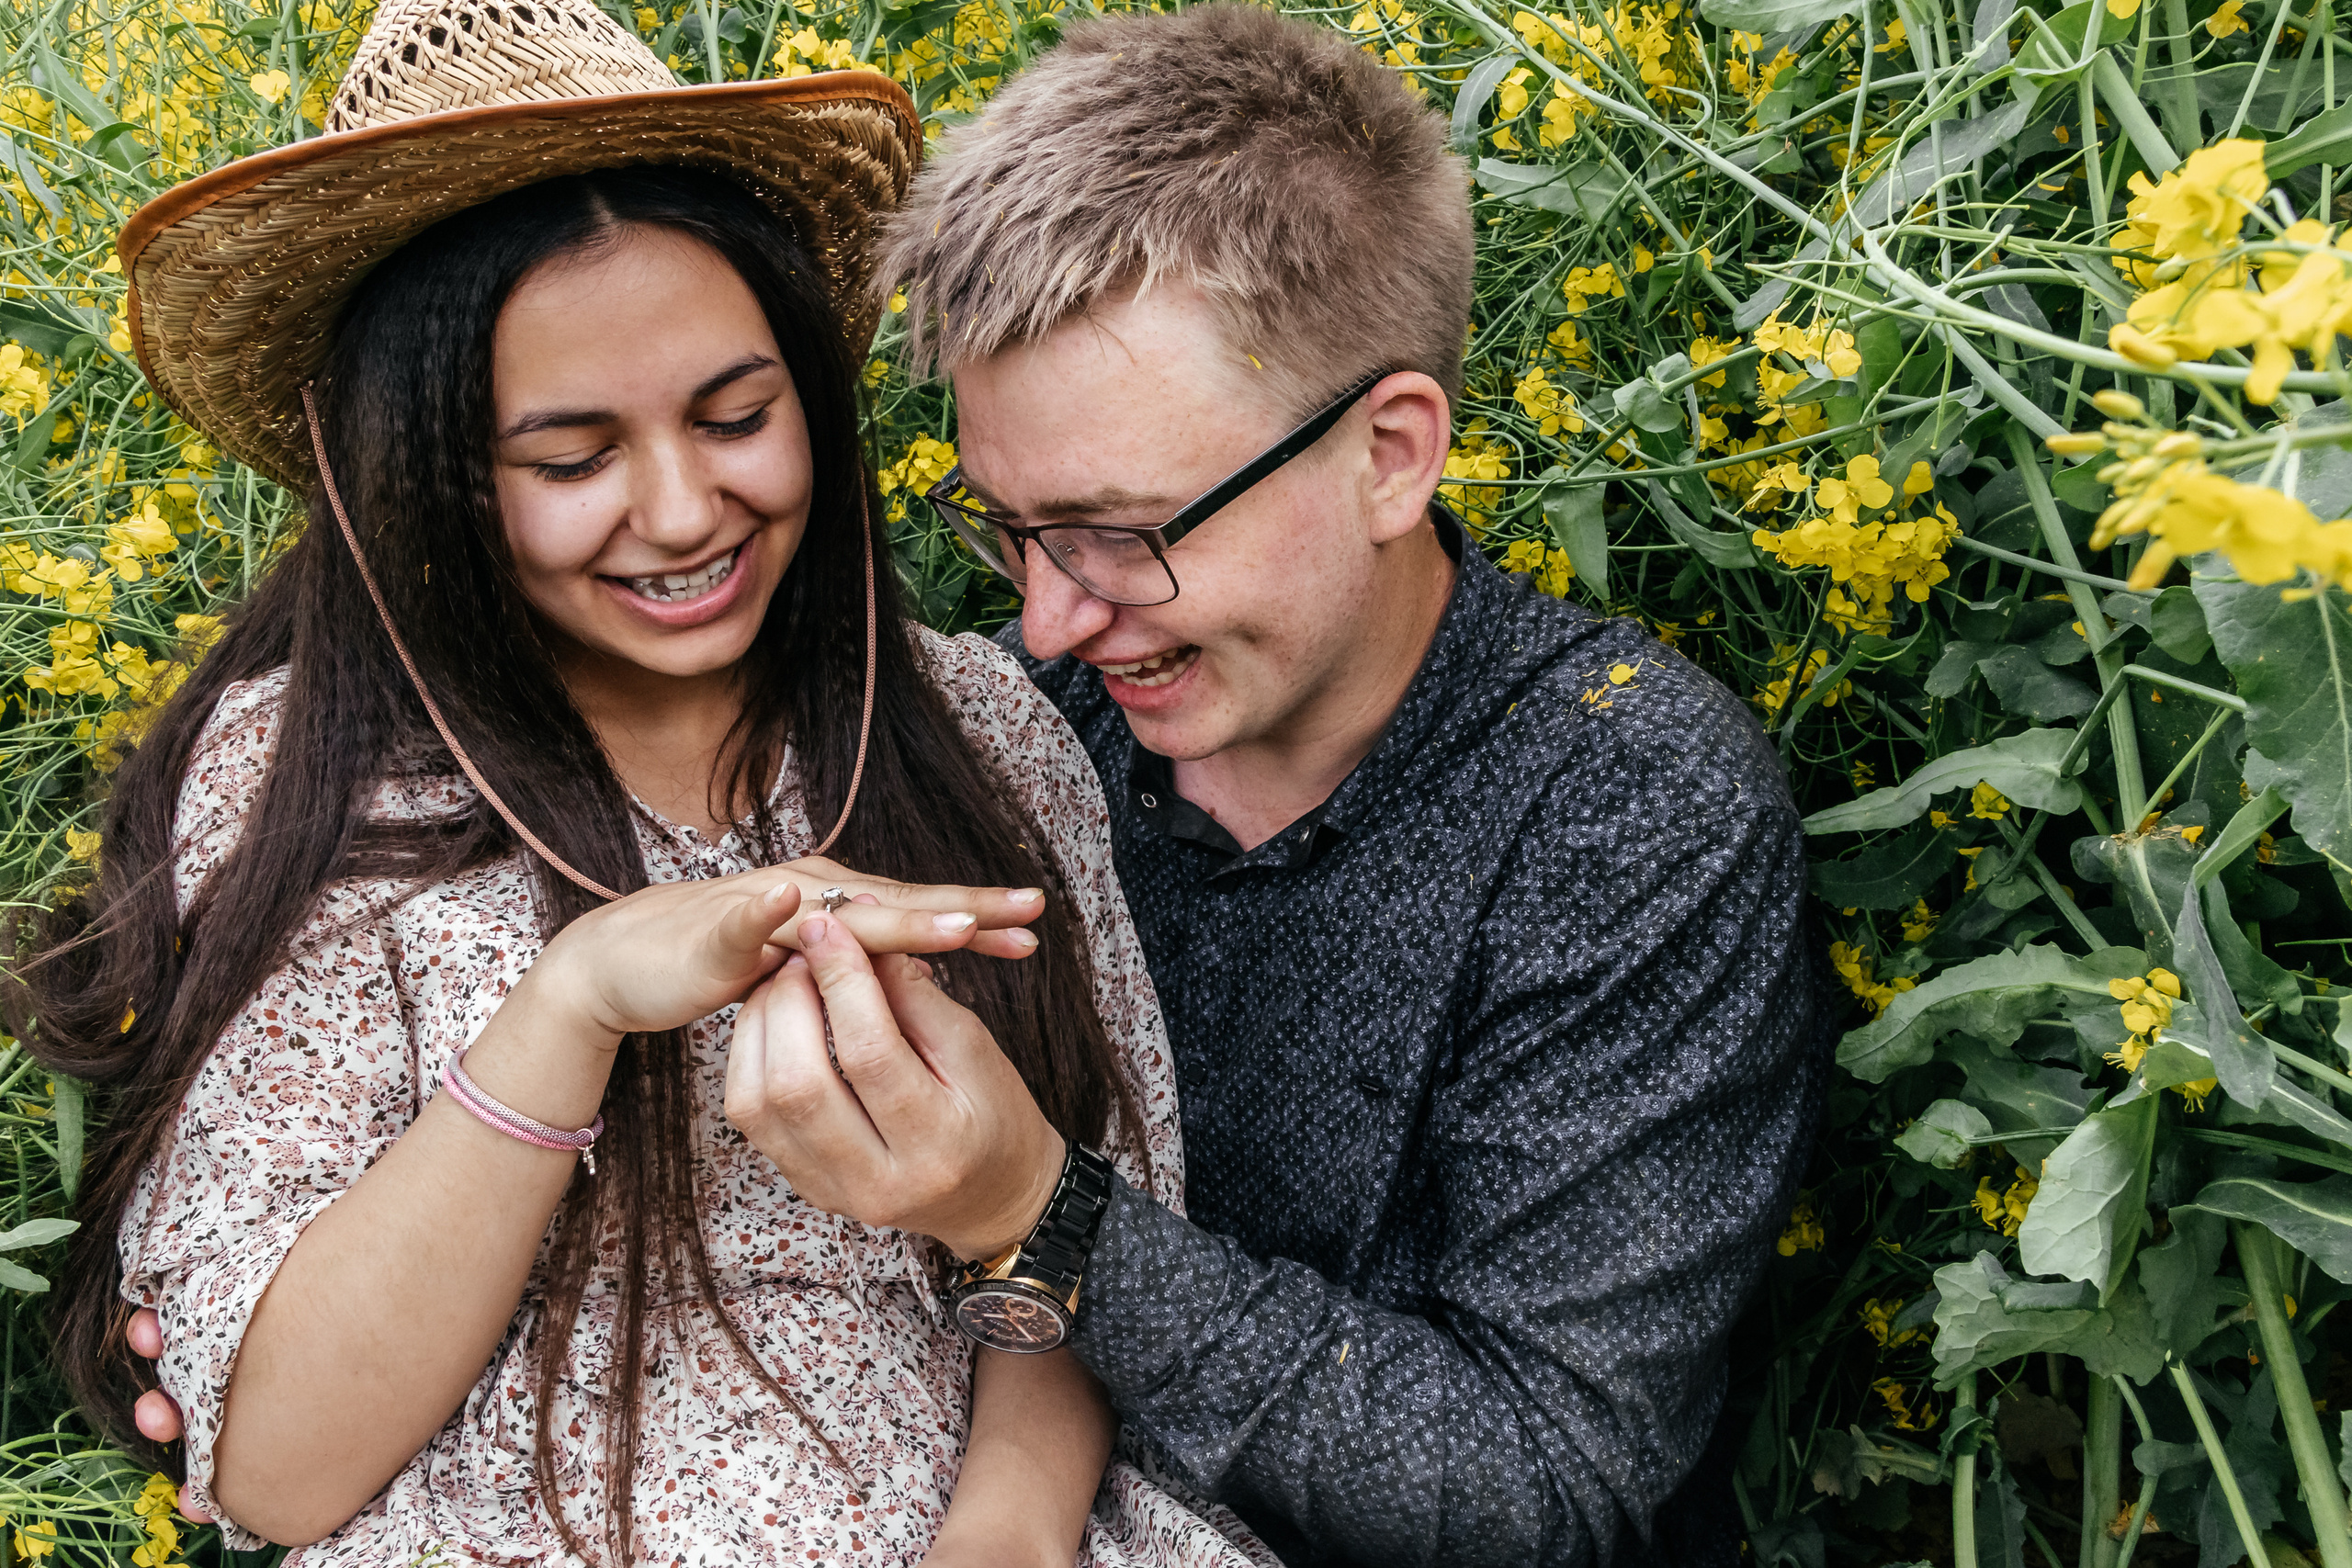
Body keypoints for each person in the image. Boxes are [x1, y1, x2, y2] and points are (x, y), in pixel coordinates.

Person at [19, 3, 1274, 1562]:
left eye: (738, 416)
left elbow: (1095, 1246)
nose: (685, 510)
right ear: (437, 474)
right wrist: (576, 1001)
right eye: (570, 459)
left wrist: (1003, 1543)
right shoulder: (310, 779)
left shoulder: (973, 729)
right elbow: (281, 1470)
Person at [711, 7, 1832, 1565]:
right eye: (1010, 529)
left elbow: (1547, 1487)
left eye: (1124, 533)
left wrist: (1036, 1208)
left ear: (1389, 455)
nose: (1048, 618)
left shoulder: (1627, 801)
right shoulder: (1024, 720)